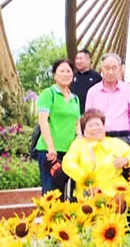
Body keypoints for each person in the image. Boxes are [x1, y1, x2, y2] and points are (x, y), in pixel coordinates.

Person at [63, 109, 130, 198]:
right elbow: (67, 163)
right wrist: (85, 178)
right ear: (84, 131)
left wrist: (126, 160)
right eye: (90, 126)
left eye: (98, 124)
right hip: (88, 189)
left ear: (104, 127)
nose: (95, 128)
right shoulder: (78, 145)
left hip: (115, 188)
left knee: (121, 198)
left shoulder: (114, 142)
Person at [36, 59, 81, 196]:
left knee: (68, 193)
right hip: (51, 152)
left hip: (70, 153)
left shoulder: (75, 98)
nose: (66, 74)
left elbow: (77, 122)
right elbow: (43, 121)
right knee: (51, 193)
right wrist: (51, 147)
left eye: (69, 71)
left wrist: (80, 139)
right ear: (54, 75)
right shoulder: (48, 94)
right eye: (62, 71)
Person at [85, 53, 130, 148]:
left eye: (114, 68)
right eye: (107, 68)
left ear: (120, 69)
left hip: (123, 138)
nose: (110, 72)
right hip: (100, 139)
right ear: (101, 69)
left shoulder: (128, 89)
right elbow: (87, 119)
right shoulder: (92, 92)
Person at [70, 49, 102, 115]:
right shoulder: (71, 76)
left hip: (90, 113)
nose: (78, 61)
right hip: (73, 113)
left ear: (88, 60)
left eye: (81, 59)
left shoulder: (96, 77)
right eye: (77, 59)